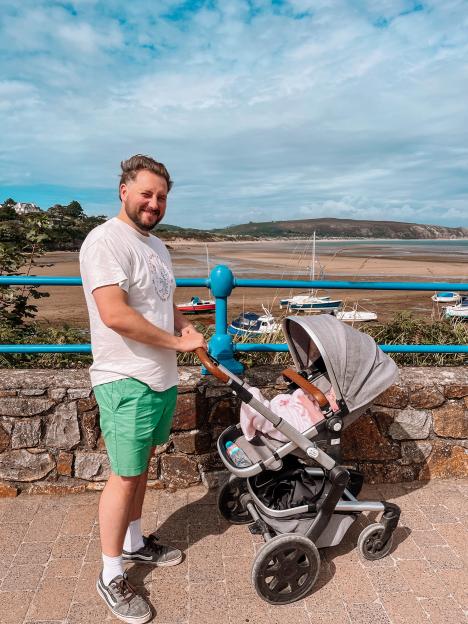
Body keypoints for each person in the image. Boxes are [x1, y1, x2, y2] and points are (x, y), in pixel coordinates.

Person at [79, 154, 207, 624]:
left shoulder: (156, 246)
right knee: (125, 474)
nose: (154, 203)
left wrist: (187, 332)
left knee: (143, 466)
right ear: (123, 190)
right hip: (125, 378)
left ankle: (134, 542)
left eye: (161, 197)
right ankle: (111, 571)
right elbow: (114, 313)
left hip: (159, 376)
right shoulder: (105, 241)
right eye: (146, 193)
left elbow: (160, 300)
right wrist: (177, 341)